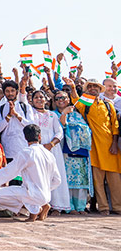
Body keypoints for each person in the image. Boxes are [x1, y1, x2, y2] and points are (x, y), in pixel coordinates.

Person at [0, 124, 61, 222]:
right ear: (39, 137)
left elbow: (7, 172)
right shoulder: (49, 154)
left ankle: (35, 209)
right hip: (46, 196)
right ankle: (38, 206)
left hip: (32, 194)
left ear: (25, 138)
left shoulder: (26, 152)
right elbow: (57, 180)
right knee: (24, 193)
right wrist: (44, 190)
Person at [66, 77, 121, 215]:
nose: (92, 89)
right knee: (98, 181)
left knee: (115, 181)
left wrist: (114, 143)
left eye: (95, 87)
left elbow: (115, 126)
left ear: (99, 89)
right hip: (94, 148)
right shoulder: (85, 104)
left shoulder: (108, 105)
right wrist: (72, 87)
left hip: (110, 148)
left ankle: (117, 207)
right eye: (89, 87)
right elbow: (75, 101)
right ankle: (103, 208)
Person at [25, 89, 70, 213]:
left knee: (55, 176)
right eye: (36, 97)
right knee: (38, 177)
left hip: (52, 149)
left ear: (46, 100)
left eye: (41, 97)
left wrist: (51, 144)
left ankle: (57, 206)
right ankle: (39, 205)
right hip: (36, 149)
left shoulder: (52, 114)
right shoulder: (30, 113)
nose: (39, 99)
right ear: (31, 100)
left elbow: (59, 131)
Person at [52, 88, 93, 213]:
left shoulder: (76, 114)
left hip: (78, 151)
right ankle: (67, 206)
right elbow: (60, 127)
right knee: (64, 179)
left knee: (79, 179)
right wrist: (64, 114)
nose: (61, 100)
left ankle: (79, 206)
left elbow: (86, 129)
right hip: (61, 150)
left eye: (63, 97)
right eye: (58, 98)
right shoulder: (53, 114)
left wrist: (76, 129)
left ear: (68, 99)